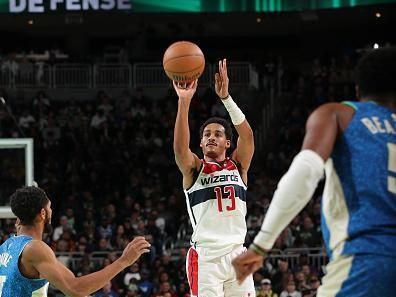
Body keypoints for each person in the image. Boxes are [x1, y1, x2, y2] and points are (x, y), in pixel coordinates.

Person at [232, 46, 396, 297]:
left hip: (369, 260)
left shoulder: (340, 114)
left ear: (358, 91)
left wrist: (261, 246)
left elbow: (305, 172)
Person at [173, 59, 255, 296]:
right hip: (207, 258)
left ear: (227, 143)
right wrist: (184, 101)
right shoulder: (194, 169)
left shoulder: (238, 166)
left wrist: (226, 98)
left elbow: (247, 136)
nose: (211, 137)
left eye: (218, 134)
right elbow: (180, 150)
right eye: (207, 134)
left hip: (238, 253)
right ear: (200, 143)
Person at [0, 186, 150, 297]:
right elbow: (75, 289)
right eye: (50, 207)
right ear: (43, 213)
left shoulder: (6, 247)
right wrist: (123, 261)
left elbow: (73, 282)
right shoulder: (35, 248)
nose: (52, 212)